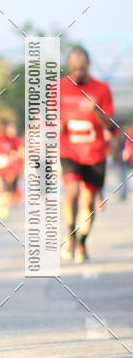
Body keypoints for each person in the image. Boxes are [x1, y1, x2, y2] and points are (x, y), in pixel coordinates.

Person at [60, 46, 115, 262]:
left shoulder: (102, 89)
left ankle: (82, 241)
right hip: (70, 150)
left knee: (88, 200)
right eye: (74, 68)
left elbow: (110, 125)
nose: (78, 73)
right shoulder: (59, 88)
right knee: (72, 191)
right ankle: (70, 235)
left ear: (88, 66)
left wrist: (96, 110)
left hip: (95, 152)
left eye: (81, 68)